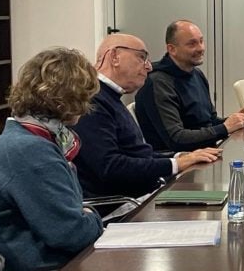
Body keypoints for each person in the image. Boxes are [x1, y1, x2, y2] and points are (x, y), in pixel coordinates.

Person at [0, 47, 104, 271]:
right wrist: (93, 218)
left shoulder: (23, 136)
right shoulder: (32, 151)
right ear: (69, 99)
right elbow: (71, 233)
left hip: (52, 268)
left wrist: (85, 216)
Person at [73, 34, 222, 198]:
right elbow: (110, 167)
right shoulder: (92, 102)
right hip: (126, 205)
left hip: (146, 193)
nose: (149, 67)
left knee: (221, 196)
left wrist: (180, 156)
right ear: (114, 57)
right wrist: (175, 164)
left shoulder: (109, 97)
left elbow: (137, 154)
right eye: (141, 57)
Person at [136, 20, 244, 151]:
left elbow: (210, 121)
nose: (201, 48)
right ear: (172, 49)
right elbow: (176, 139)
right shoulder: (157, 83)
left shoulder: (196, 74)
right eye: (192, 44)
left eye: (201, 41)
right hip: (179, 159)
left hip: (205, 151)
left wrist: (235, 121)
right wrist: (225, 128)